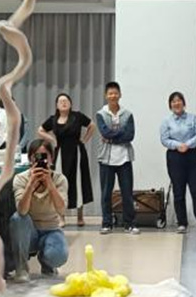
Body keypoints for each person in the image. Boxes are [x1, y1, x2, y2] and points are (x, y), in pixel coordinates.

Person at [9, 139, 69, 282]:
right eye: (36, 156)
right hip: (29, 232)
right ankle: (21, 268)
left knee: (58, 256)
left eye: (45, 156)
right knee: (17, 218)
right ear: (30, 159)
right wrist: (30, 185)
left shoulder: (60, 179)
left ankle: (47, 263)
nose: (41, 160)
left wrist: (50, 184)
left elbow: (61, 210)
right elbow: (22, 211)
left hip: (51, 229)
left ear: (51, 159)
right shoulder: (20, 178)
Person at [38, 93, 96, 227]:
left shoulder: (77, 116)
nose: (63, 103)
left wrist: (85, 139)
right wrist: (52, 139)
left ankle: (80, 217)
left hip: (77, 153)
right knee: (60, 183)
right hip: (60, 154)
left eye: (66, 101)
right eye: (60, 101)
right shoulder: (53, 119)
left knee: (79, 182)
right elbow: (40, 130)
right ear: (57, 105)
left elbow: (92, 125)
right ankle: (61, 217)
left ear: (70, 104)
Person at [160, 91, 196, 235]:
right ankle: (182, 223)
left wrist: (187, 145)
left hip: (192, 156)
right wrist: (178, 145)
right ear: (170, 105)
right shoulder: (166, 122)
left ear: (184, 103)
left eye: (179, 100)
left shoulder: (193, 118)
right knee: (178, 191)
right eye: (173, 101)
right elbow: (164, 139)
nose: (176, 103)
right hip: (175, 157)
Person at [95, 81, 139, 235]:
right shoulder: (100, 114)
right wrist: (120, 132)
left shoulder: (128, 114)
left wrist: (111, 137)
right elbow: (104, 132)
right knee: (106, 193)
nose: (113, 96)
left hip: (124, 158)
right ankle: (106, 223)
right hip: (106, 158)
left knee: (127, 193)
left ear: (120, 95)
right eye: (110, 93)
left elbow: (130, 135)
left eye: (115, 93)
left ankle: (129, 224)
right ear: (106, 96)